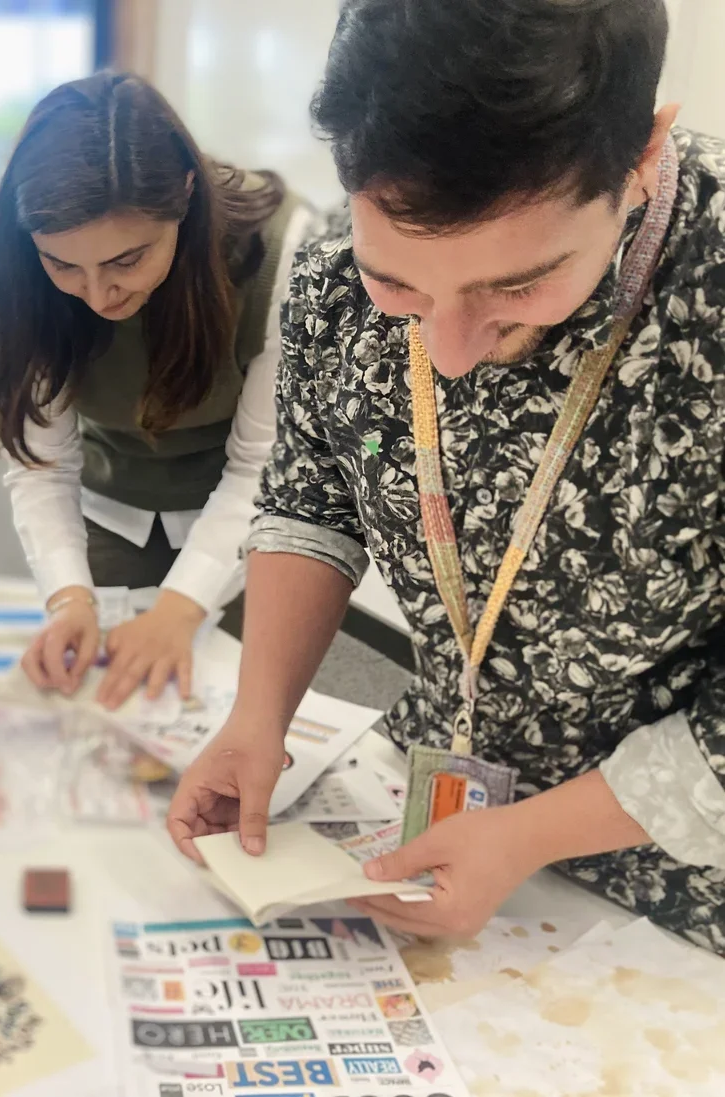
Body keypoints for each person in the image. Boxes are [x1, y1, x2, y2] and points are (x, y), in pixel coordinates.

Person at [168, 0, 725, 955]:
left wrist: (533, 835)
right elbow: (313, 497)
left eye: (518, 285)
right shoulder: (335, 278)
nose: (449, 349)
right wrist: (258, 718)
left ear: (640, 154)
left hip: (674, 880)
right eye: (401, 286)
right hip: (435, 795)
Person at [0, 72, 311, 709]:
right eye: (65, 266)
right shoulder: (20, 267)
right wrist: (68, 596)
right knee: (102, 707)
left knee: (238, 708)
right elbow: (43, 464)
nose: (100, 295)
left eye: (126, 260)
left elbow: (259, 468)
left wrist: (181, 608)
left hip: (243, 516)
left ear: (186, 195)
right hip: (109, 506)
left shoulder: (282, 255)